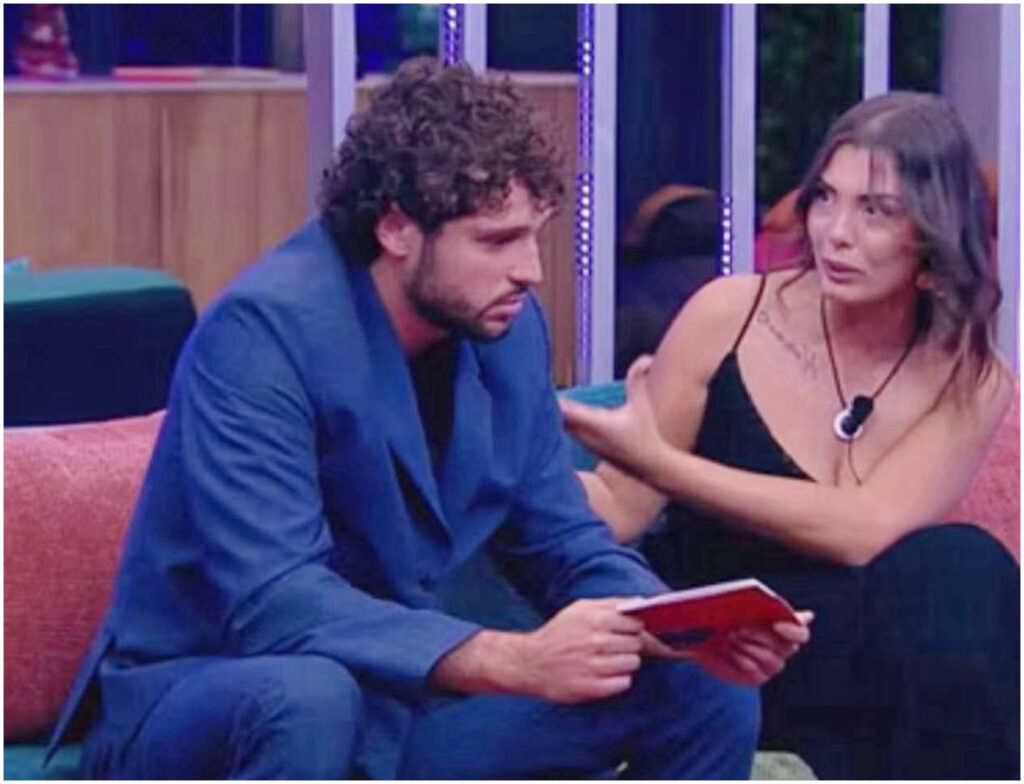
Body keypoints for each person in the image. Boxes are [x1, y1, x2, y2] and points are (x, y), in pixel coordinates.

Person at [46, 58, 810, 780]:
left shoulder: (505, 327)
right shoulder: (262, 335)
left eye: (534, 235)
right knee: (309, 697)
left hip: (387, 704)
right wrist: (510, 659)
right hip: (215, 696)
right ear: (397, 228)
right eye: (496, 240)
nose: (530, 271)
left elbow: (558, 538)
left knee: (702, 688)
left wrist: (679, 626)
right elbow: (274, 601)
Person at [561, 91, 1020, 780]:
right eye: (826, 198)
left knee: (962, 566)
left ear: (933, 233)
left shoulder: (971, 377)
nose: (836, 233)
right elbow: (621, 506)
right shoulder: (728, 315)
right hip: (728, 657)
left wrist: (660, 461)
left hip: (865, 666)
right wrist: (505, 454)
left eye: (877, 211)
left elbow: (864, 531)